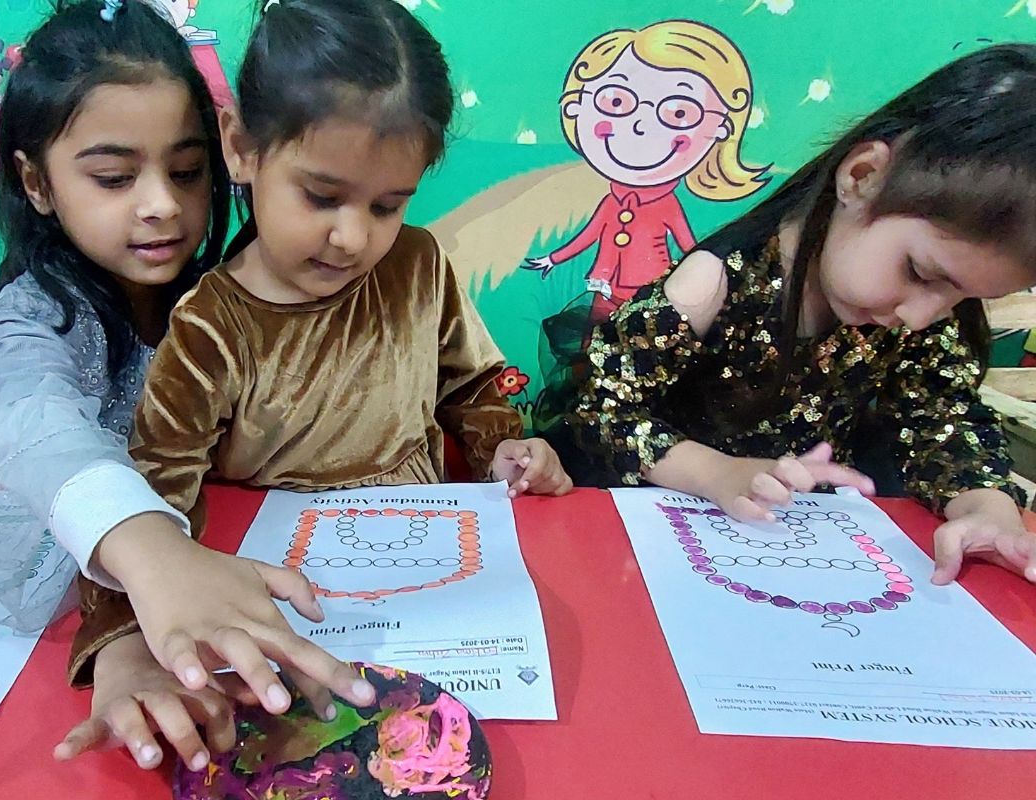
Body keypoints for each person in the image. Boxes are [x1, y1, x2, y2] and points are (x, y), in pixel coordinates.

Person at [59, 0, 572, 772]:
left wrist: (503, 448)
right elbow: (152, 495)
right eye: (322, 197)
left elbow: (470, 386)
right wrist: (122, 639)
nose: (354, 236)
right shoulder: (212, 325)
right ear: (242, 147)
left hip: (429, 586)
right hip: (279, 598)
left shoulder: (417, 266)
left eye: (387, 205)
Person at [0, 0, 368, 773]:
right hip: (80, 585)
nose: (162, 206)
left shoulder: (230, 291)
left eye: (186, 171)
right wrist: (128, 619)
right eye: (114, 177)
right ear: (36, 181)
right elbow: (30, 423)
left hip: (227, 554)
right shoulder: (36, 314)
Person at [544, 43, 1036, 586]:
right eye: (919, 272)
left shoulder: (925, 316)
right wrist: (718, 473)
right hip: (657, 537)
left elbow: (940, 421)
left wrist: (989, 511)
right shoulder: (712, 285)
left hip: (799, 544)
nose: (922, 317)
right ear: (862, 176)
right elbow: (603, 411)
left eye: (964, 297)